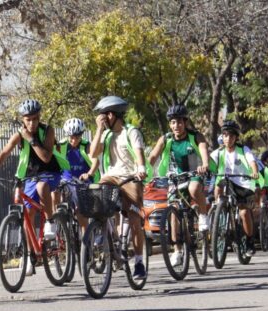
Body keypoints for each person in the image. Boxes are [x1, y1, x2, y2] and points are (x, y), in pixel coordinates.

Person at [80, 95, 148, 280]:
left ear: (112, 115)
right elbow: (93, 153)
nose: (102, 118)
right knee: (96, 199)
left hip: (130, 177)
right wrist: (98, 130)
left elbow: (139, 154)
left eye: (104, 116)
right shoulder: (106, 134)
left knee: (134, 220)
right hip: (110, 177)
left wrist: (141, 169)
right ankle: (106, 235)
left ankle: (140, 262)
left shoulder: (131, 131)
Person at [0, 99, 68, 241]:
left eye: (35, 119)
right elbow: (4, 153)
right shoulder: (18, 135)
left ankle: (50, 222)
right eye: (28, 120)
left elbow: (46, 157)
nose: (32, 123)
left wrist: (31, 139)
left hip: (51, 173)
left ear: (39, 117)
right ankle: (31, 253)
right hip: (31, 176)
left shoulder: (48, 131)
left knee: (42, 186)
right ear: (23, 120)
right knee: (28, 213)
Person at [147, 104, 210, 267]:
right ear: (170, 124)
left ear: (185, 122)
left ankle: (203, 215)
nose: (176, 126)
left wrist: (204, 164)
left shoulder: (195, 136)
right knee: (174, 212)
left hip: (194, 171)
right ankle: (177, 251)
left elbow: (203, 149)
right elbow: (153, 155)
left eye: (180, 122)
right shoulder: (166, 138)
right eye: (173, 122)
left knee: (194, 189)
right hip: (175, 177)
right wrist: (144, 166)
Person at [214, 120, 259, 257]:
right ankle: (219, 216)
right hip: (225, 179)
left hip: (243, 183)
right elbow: (209, 162)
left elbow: (252, 162)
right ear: (222, 136)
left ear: (236, 138)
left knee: (244, 213)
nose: (228, 139)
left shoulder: (243, 149)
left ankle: (250, 241)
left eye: (231, 136)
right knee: (217, 189)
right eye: (225, 135)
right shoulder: (219, 151)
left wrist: (254, 171)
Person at [57, 117, 97, 233]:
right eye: (71, 137)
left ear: (81, 135)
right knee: (54, 190)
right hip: (66, 180)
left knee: (80, 211)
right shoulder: (61, 145)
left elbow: (95, 162)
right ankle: (56, 220)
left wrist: (89, 174)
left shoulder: (86, 145)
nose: (74, 140)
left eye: (77, 137)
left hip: (82, 181)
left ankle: (86, 240)